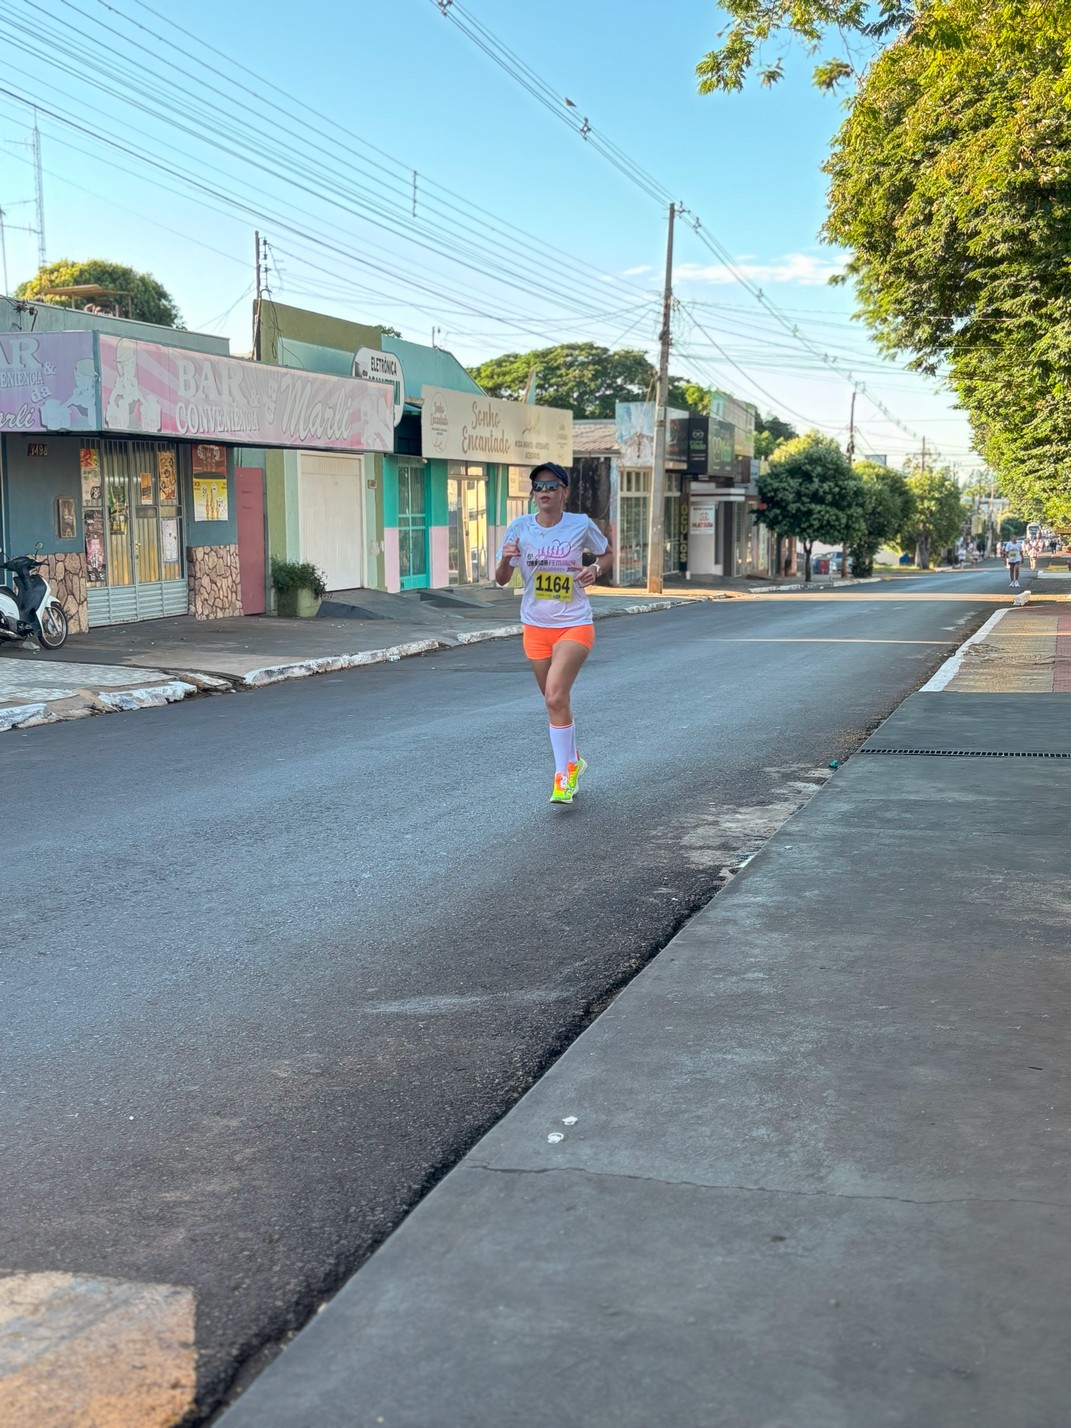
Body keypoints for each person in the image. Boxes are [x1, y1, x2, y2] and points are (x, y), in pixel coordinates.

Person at [495, 462, 613, 806]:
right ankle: (574, 760)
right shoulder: (519, 527)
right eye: (538, 487)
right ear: (533, 495)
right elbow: (502, 578)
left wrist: (593, 569)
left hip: (574, 622)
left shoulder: (580, 524)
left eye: (551, 486)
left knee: (554, 696)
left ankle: (563, 778)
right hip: (535, 626)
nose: (544, 492)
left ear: (564, 491)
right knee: (554, 701)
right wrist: (505, 560)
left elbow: (606, 554)